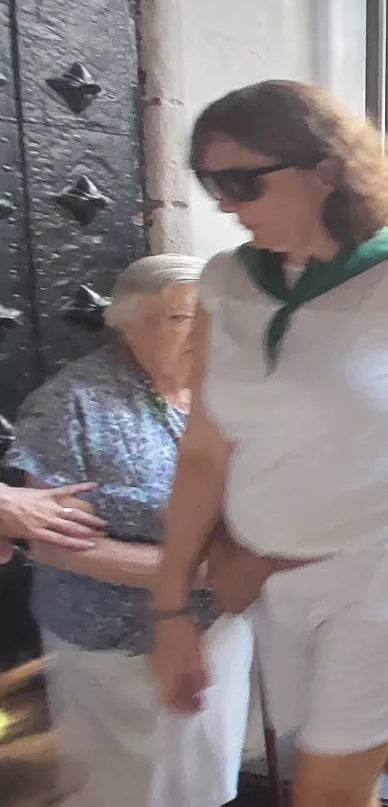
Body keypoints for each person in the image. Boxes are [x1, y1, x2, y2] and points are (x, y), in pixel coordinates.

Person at [149, 80, 388, 807]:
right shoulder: (227, 282)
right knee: (350, 735)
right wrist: (172, 609)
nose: (225, 204)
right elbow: (204, 449)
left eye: (242, 181)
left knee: (326, 784)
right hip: (278, 570)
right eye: (211, 184)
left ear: (323, 169)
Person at [10, 255, 254, 807]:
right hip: (109, 645)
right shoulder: (72, 405)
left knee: (204, 779)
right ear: (127, 321)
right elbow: (54, 542)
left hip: (217, 629)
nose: (201, 332)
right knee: (120, 789)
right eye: (180, 318)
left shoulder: (227, 391)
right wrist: (195, 574)